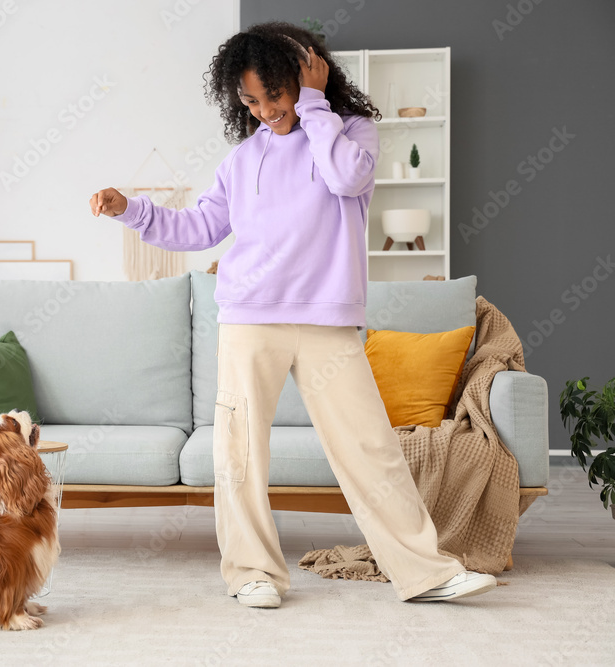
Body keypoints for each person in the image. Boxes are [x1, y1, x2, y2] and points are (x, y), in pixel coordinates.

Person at [88, 22, 496, 608]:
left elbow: (346, 177)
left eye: (274, 95)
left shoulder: (349, 133)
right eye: (251, 101)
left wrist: (312, 104)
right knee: (240, 449)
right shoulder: (241, 159)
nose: (265, 112)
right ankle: (252, 572)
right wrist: (133, 210)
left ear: (305, 79)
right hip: (250, 317)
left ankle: (425, 572)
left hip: (328, 319)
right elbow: (201, 228)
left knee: (369, 448)